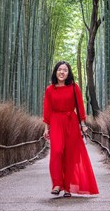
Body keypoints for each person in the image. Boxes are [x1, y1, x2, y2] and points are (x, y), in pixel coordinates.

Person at [43, 60, 99, 197]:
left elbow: (80, 107)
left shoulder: (74, 88)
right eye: (59, 69)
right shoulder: (50, 89)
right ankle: (57, 184)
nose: (62, 72)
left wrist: (83, 125)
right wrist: (46, 128)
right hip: (56, 121)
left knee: (70, 155)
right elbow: (47, 110)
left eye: (65, 70)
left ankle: (67, 187)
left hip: (71, 121)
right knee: (56, 151)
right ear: (55, 72)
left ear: (68, 73)